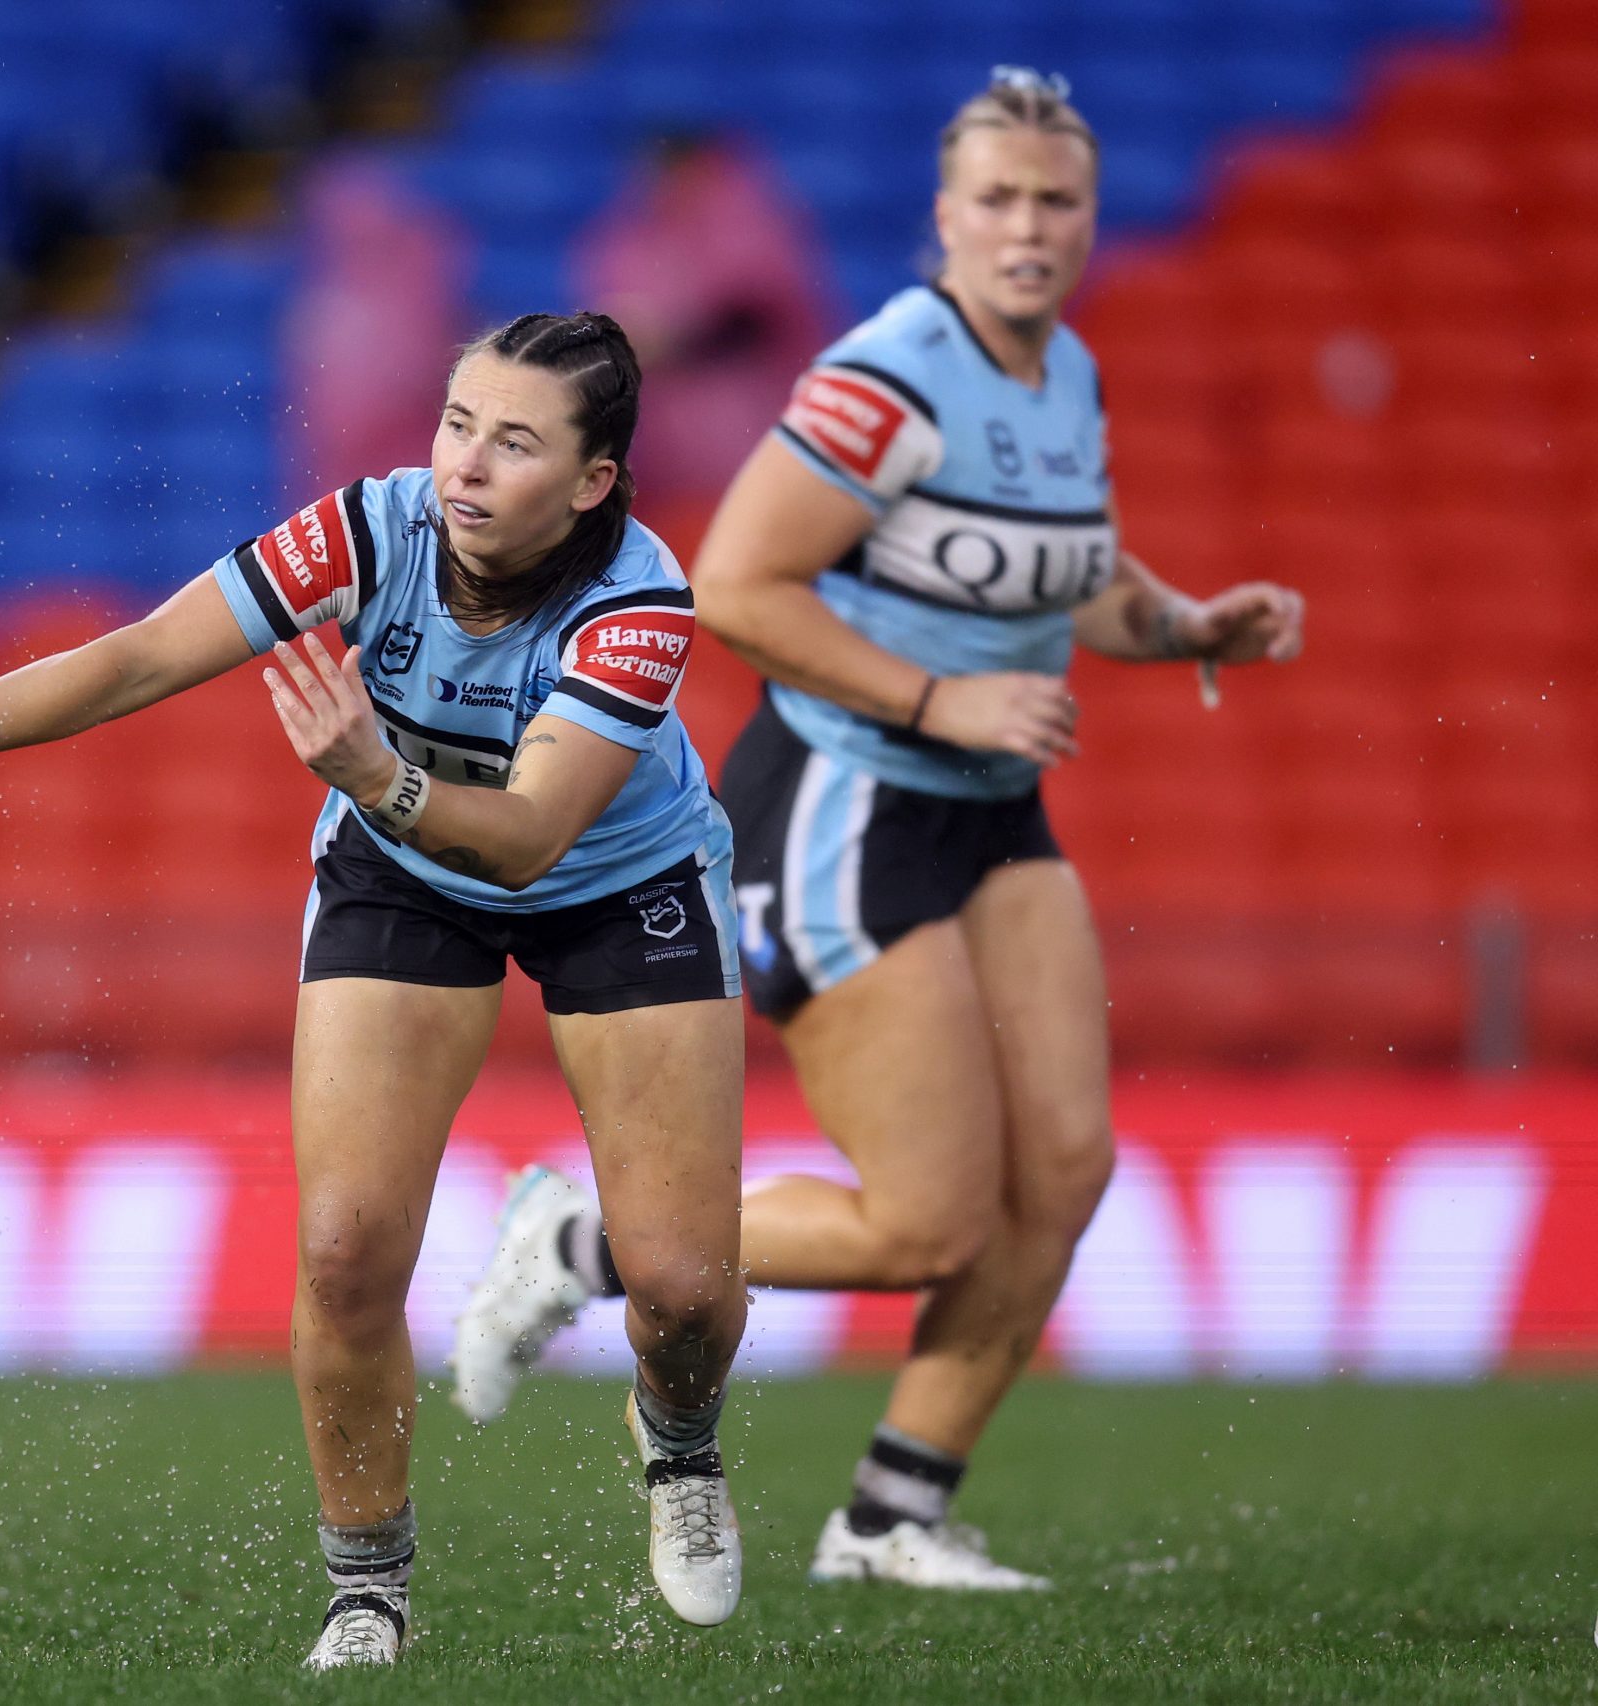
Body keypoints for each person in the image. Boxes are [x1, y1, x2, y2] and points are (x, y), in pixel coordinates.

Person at [0, 313, 756, 1667]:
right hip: (402, 873)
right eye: (457, 420)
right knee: (345, 1248)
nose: (463, 464)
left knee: (685, 1289)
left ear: (592, 482)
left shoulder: (641, 602)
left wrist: (372, 775)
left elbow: (529, 833)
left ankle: (681, 1445)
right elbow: (147, 652)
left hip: (613, 879)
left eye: (514, 443)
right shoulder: (370, 527)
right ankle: (368, 1587)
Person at [448, 70, 1308, 1591]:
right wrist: (940, 698)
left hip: (989, 808)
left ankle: (894, 1512)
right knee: (924, 1220)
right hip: (850, 795)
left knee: (1066, 1168)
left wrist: (1176, 624)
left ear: (1088, 218)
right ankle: (581, 1244)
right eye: (998, 200)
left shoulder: (1065, 376)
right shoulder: (888, 375)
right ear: (947, 217)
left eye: (1056, 202)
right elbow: (740, 582)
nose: (1028, 228)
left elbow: (1066, 571)